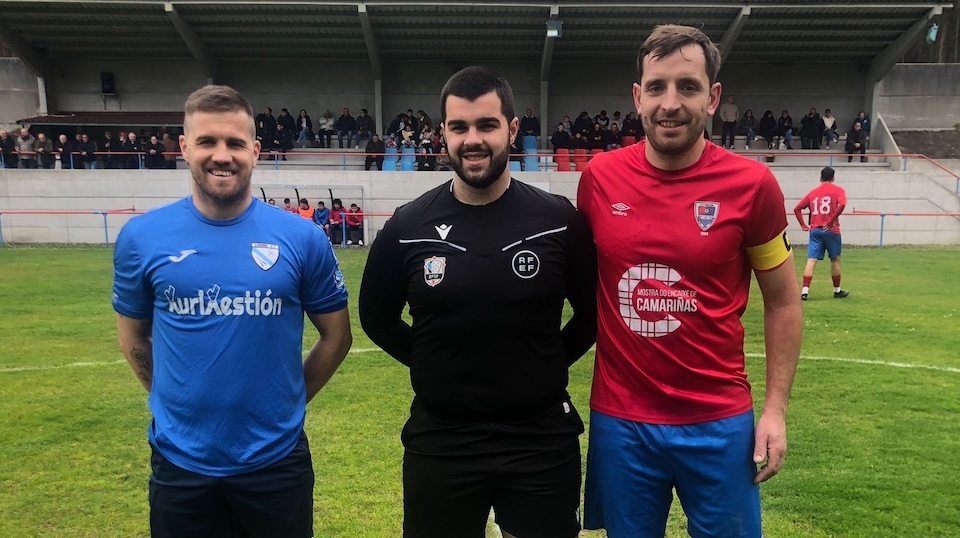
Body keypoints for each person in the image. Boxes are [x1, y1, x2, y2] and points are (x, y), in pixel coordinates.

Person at [576, 25, 803, 538]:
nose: (670, 103)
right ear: (637, 97)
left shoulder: (753, 187)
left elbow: (785, 301)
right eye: (656, 87)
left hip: (720, 423)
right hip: (621, 422)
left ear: (714, 97)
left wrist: (774, 412)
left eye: (688, 86)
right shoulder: (598, 180)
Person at [358, 66, 597, 538]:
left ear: (511, 128)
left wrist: (541, 366)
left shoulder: (557, 221)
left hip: (540, 439)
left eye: (486, 125)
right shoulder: (408, 226)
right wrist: (433, 364)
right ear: (442, 133)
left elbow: (591, 317)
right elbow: (375, 318)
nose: (473, 139)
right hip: (442, 439)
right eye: (459, 126)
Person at [112, 84, 352, 538]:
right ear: (184, 147)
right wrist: (172, 402)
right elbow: (133, 336)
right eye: (207, 141)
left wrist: (290, 400)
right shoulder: (142, 237)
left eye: (235, 143)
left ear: (255, 151)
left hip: (275, 462)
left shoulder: (302, 239)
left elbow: (337, 336)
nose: (222, 155)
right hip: (180, 463)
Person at [794, 166, 850, 300]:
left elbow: (797, 208)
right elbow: (842, 204)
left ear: (820, 178)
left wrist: (803, 224)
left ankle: (805, 291)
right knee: (835, 259)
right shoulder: (838, 190)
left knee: (811, 260)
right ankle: (837, 291)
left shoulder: (813, 193)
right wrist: (831, 221)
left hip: (815, 230)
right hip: (831, 230)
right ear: (833, 178)